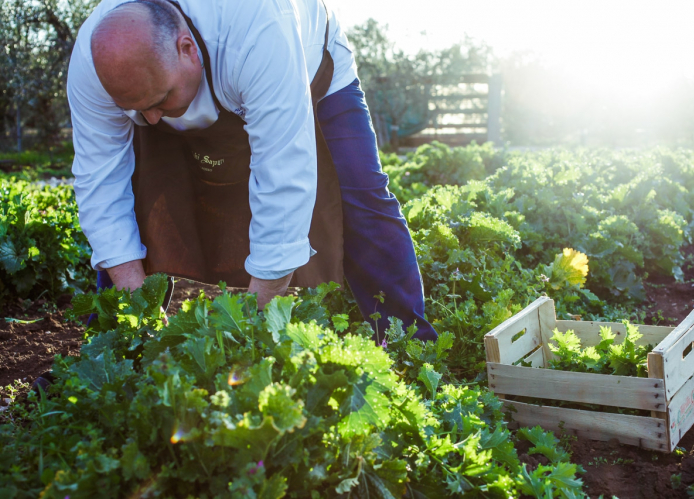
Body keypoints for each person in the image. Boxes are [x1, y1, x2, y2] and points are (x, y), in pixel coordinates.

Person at [67, 0, 438, 343]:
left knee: (358, 194)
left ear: (187, 48)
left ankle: (409, 341)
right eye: (133, 109)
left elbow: (284, 178)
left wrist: (248, 329)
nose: (148, 118)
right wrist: (138, 310)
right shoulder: (94, 59)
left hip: (306, 69)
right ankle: (116, 349)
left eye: (160, 101)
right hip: (203, 73)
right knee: (136, 201)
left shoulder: (258, 29)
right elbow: (102, 184)